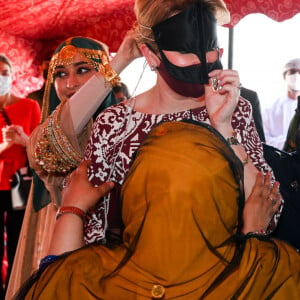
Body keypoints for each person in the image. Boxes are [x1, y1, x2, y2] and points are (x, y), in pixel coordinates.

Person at [16, 121, 300, 300]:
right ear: (227, 199)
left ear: (134, 195)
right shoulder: (273, 270)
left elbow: (56, 280)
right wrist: (254, 240)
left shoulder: (84, 275)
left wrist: (73, 209)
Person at [83, 0, 282, 247]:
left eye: (210, 48)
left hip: (223, 272)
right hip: (135, 276)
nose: (202, 60)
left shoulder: (236, 109)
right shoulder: (113, 123)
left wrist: (223, 126)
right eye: (187, 51)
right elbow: (93, 228)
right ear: (150, 55)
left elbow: (270, 210)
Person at [6, 34, 140, 299]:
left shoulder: (128, 126)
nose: (70, 84)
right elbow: (67, 125)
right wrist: (120, 61)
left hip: (123, 248)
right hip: (63, 243)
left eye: (82, 70)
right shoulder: (49, 132)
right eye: (60, 74)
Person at [0, 54, 41, 297]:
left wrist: (24, 140)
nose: (1, 77)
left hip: (19, 185)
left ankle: (14, 291)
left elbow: (39, 149)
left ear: (12, 75)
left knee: (18, 241)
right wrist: (5, 145)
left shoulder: (29, 106)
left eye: (5, 73)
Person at [263, 58, 300, 149]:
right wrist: (286, 142)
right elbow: (262, 139)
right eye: (292, 71)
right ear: (284, 76)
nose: (296, 76)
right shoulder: (270, 108)